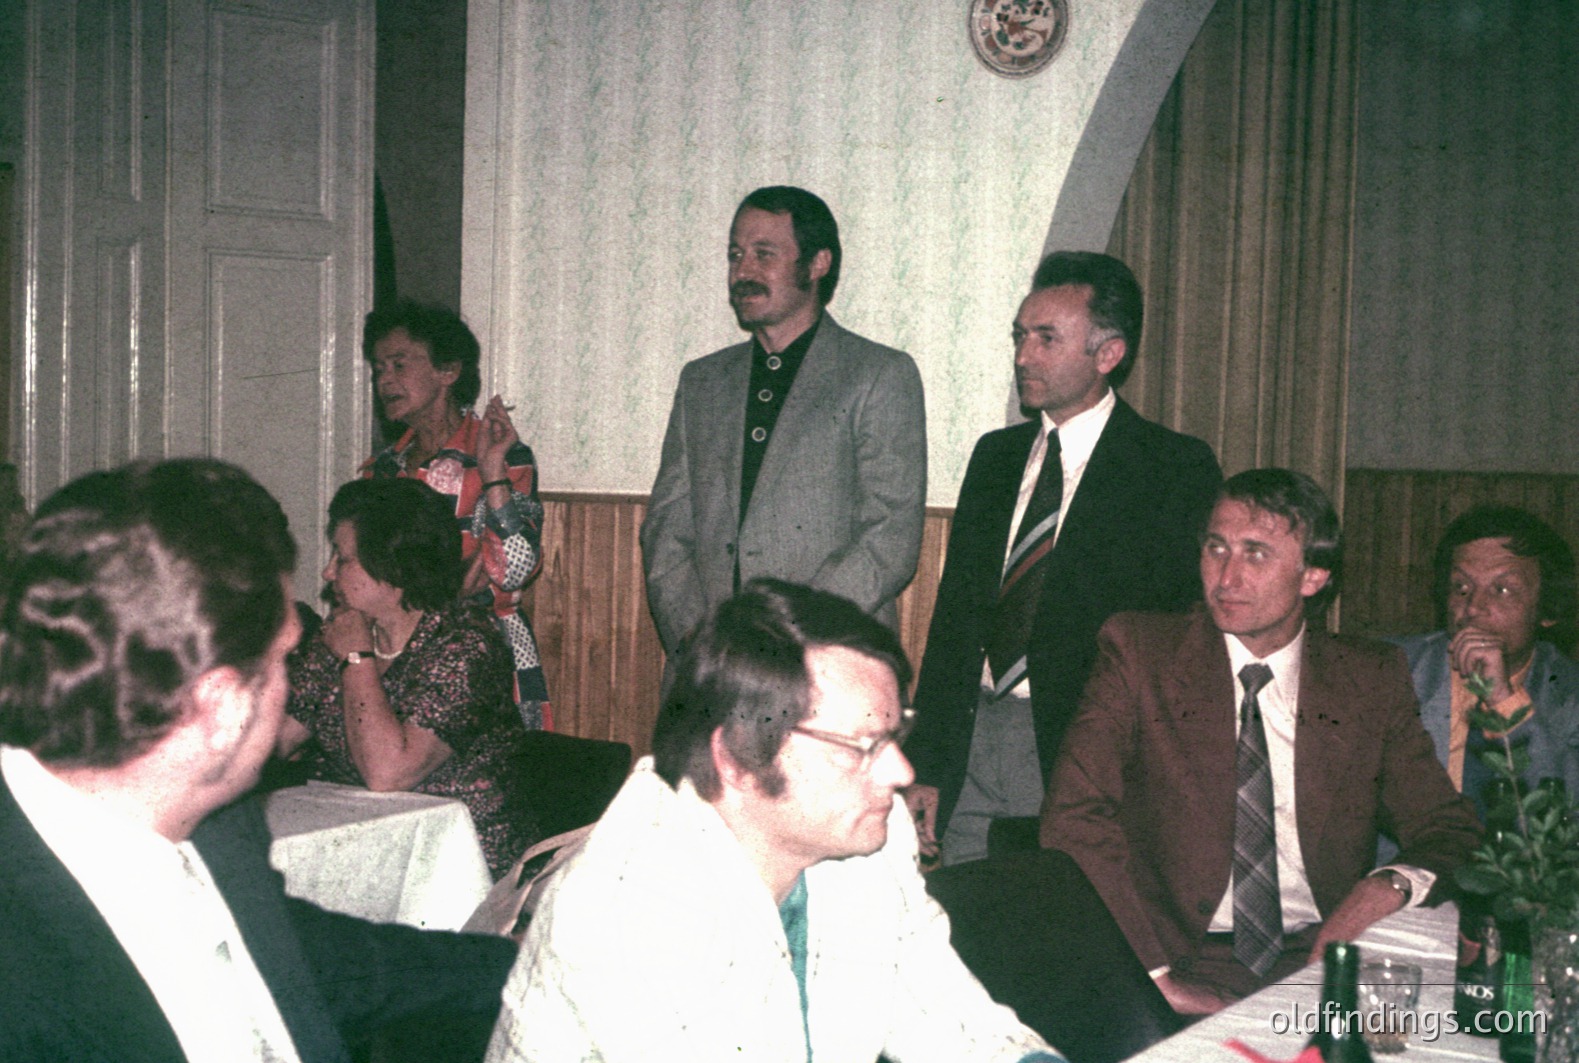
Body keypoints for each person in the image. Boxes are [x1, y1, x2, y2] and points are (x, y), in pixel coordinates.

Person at [0, 459, 514, 1062]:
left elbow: (297, 956)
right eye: (281, 660)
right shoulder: (21, 959)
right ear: (219, 708)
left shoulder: (212, 822)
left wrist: (527, 961)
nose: (289, 681)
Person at [485, 580, 1064, 1063]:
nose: (901, 770)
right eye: (862, 745)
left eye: (893, 735)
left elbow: (951, 1021)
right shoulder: (628, 905)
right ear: (736, 760)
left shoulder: (869, 839)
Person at [1041, 468, 1480, 1014]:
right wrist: (1155, 978)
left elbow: (1448, 827)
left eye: (1255, 554)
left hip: (1320, 953)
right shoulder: (1140, 653)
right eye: (1216, 548)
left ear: (1313, 576)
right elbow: (1075, 817)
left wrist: (1388, 886)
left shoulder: (1369, 679)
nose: (1225, 578)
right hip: (1173, 955)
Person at [905, 251, 1221, 866]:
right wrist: (927, 761)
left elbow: (1177, 641)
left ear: (1108, 354)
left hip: (1079, 751)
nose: (1023, 356)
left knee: (1058, 930)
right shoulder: (994, 458)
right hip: (969, 738)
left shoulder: (1170, 468)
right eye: (1021, 336)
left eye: (1047, 339)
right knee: (960, 923)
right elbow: (954, 621)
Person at [640, 186, 926, 656]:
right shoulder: (702, 381)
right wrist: (698, 639)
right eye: (736, 254)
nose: (742, 271)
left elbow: (889, 539)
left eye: (763, 254)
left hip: (828, 660)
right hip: (711, 666)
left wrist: (786, 641)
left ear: (818, 264)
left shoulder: (879, 374)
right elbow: (666, 528)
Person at [283, 477, 537, 877]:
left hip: (453, 873)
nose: (328, 572)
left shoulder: (466, 644)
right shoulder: (342, 632)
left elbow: (388, 772)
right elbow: (276, 739)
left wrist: (357, 658)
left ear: (393, 567)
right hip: (359, 852)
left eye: (342, 558)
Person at [363, 299, 552, 731]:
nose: (384, 380)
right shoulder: (382, 470)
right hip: (395, 651)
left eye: (398, 364)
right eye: (379, 369)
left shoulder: (500, 454)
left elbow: (511, 570)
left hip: (484, 652)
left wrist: (491, 472)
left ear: (448, 372)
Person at [1393, 505, 1579, 814]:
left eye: (1502, 589)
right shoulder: (1392, 670)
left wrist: (1504, 702)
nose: (1474, 607)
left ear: (1547, 609)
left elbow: (1565, 815)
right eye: (1461, 588)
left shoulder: (1569, 693)